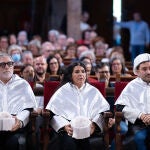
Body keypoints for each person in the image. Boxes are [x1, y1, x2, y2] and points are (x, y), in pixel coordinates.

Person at [46, 62, 110, 150]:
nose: (81, 74)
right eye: (77, 72)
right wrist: (64, 126)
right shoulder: (62, 91)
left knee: (91, 143)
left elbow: (103, 111)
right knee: (68, 143)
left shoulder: (93, 91)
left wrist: (94, 124)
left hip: (89, 129)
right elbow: (53, 113)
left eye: (83, 71)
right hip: (68, 129)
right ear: (70, 75)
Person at [0, 52, 37, 150]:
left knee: (12, 143)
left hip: (16, 127)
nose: (7, 67)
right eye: (3, 64)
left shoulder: (22, 84)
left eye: (10, 64)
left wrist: (20, 120)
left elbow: (29, 108)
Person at [115, 53, 150, 150]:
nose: (148, 72)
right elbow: (119, 106)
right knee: (139, 139)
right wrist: (141, 115)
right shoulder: (132, 86)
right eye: (144, 69)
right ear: (137, 71)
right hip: (138, 125)